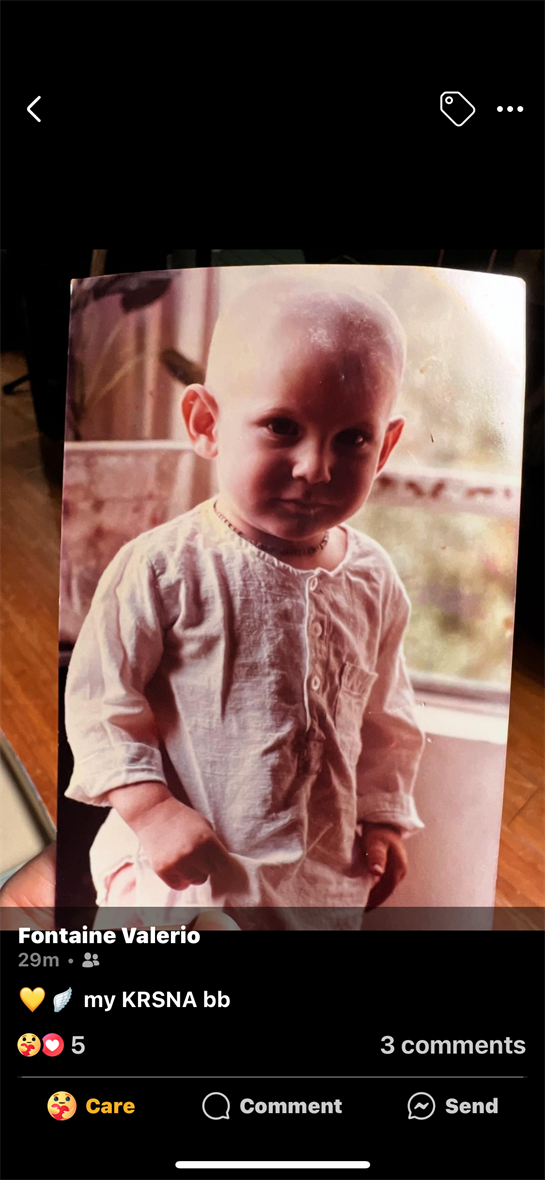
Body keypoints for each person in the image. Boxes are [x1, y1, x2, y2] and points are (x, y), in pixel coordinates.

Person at [63, 276, 425, 930]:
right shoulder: (162, 567)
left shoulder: (374, 577)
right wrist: (150, 809)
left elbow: (384, 717)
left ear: (386, 445)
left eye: (352, 439)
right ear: (207, 424)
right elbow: (98, 701)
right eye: (281, 426)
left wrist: (382, 817)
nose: (316, 467)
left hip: (312, 880)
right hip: (182, 877)